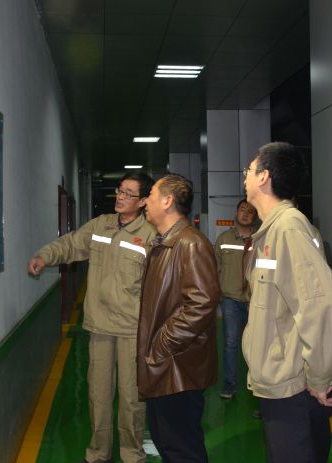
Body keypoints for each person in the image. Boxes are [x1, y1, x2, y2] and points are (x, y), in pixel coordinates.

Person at [27, 172, 156, 463]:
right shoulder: (101, 225)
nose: (120, 197)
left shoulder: (150, 234)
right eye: (120, 190)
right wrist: (45, 256)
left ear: (143, 201)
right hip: (99, 325)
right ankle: (99, 453)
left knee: (131, 397)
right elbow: (71, 244)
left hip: (132, 328)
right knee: (98, 395)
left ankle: (132, 454)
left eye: (129, 193)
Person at [241, 141, 332, 463]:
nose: (245, 176)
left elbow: (323, 306)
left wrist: (320, 379)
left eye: (249, 170)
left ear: (264, 177)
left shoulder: (288, 228)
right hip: (280, 382)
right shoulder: (272, 230)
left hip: (293, 387)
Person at [137, 174, 220, 463]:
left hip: (178, 368)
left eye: (151, 195)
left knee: (182, 449)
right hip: (165, 366)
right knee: (166, 442)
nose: (145, 202)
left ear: (168, 201)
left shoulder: (190, 243)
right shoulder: (165, 244)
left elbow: (202, 303)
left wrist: (161, 344)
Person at [214, 199, 258, 399]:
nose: (246, 214)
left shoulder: (260, 239)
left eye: (250, 211)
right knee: (231, 342)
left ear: (255, 216)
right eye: (242, 210)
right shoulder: (223, 239)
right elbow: (215, 269)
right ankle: (229, 384)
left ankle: (256, 384)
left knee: (255, 343)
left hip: (254, 300)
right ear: (236, 213)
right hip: (230, 299)